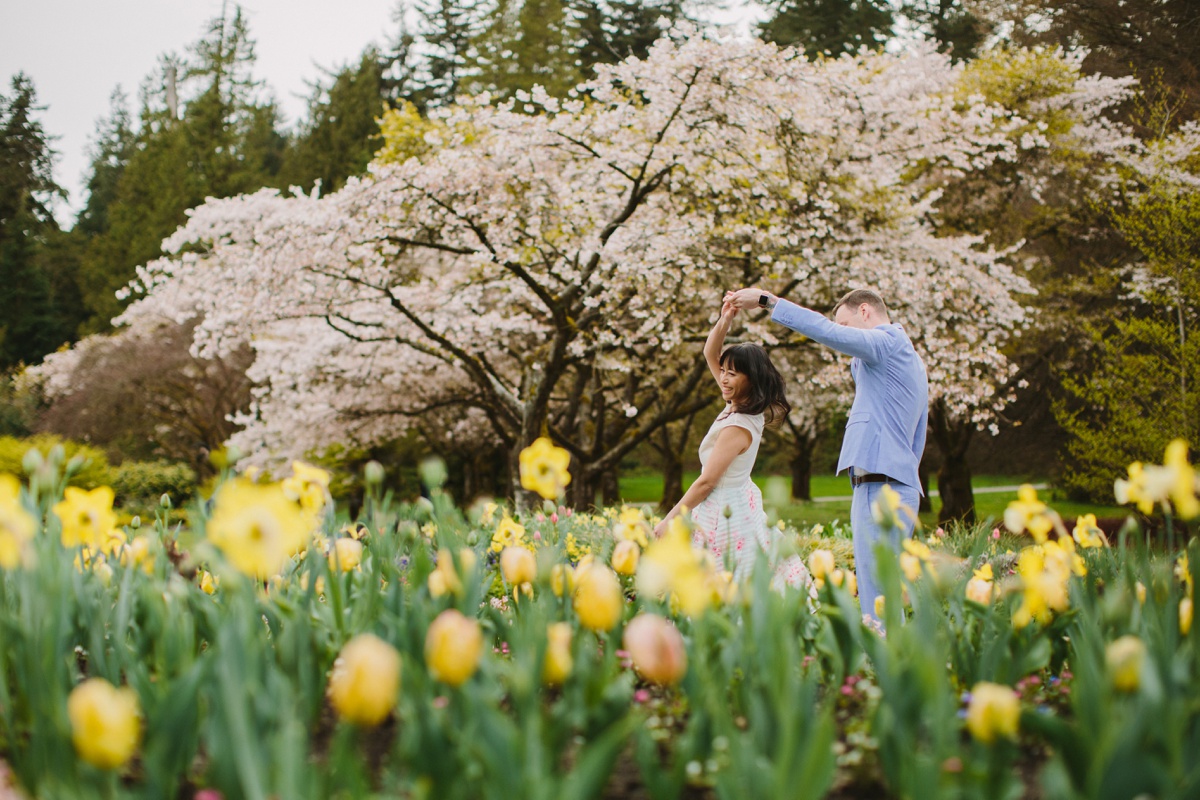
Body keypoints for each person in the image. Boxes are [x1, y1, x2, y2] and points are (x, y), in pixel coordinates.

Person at [726, 286, 928, 625]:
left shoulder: (886, 342)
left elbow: (827, 332)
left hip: (880, 487)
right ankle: (892, 669)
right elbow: (917, 434)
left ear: (865, 312)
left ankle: (876, 673)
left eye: (847, 325)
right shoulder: (908, 358)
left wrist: (767, 301)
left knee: (875, 598)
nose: (845, 337)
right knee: (886, 597)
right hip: (899, 485)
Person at [654, 299, 812, 592]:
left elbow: (706, 482)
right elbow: (708, 352)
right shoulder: (741, 403)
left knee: (726, 583)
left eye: (732, 373)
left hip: (725, 513)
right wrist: (726, 319)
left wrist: (669, 521)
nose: (723, 378)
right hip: (737, 501)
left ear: (750, 380)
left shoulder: (737, 425)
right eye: (723, 371)